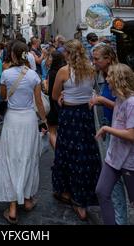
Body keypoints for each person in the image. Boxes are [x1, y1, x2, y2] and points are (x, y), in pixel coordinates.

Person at [0, 41, 46, 224]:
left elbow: (2, 96)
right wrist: (45, 121)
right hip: (29, 120)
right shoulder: (33, 75)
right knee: (27, 158)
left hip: (13, 120)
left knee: (11, 159)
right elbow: (39, 102)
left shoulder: (6, 74)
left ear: (13, 55)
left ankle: (13, 207)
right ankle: (28, 199)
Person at [52, 40, 101, 221]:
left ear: (68, 54)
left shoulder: (64, 71)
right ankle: (82, 198)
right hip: (86, 116)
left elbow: (55, 95)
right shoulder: (91, 69)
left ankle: (65, 191)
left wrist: (63, 97)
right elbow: (92, 91)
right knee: (85, 154)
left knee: (67, 153)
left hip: (70, 115)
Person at [90, 45, 128, 225]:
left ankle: (120, 218)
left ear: (108, 59)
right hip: (111, 129)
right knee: (109, 186)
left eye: (97, 58)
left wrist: (102, 100)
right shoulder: (103, 76)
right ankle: (118, 218)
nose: (94, 62)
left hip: (121, 135)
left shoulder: (118, 77)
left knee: (118, 182)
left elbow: (125, 107)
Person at [95, 64, 134, 225]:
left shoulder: (131, 103)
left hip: (129, 161)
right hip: (114, 157)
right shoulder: (119, 99)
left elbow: (131, 134)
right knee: (102, 192)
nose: (107, 79)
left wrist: (106, 128)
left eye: (110, 76)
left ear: (118, 80)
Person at [46, 51, 66, 149]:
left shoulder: (52, 72)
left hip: (53, 104)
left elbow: (49, 90)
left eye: (50, 58)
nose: (48, 59)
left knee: (52, 132)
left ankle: (58, 154)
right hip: (64, 103)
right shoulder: (65, 70)